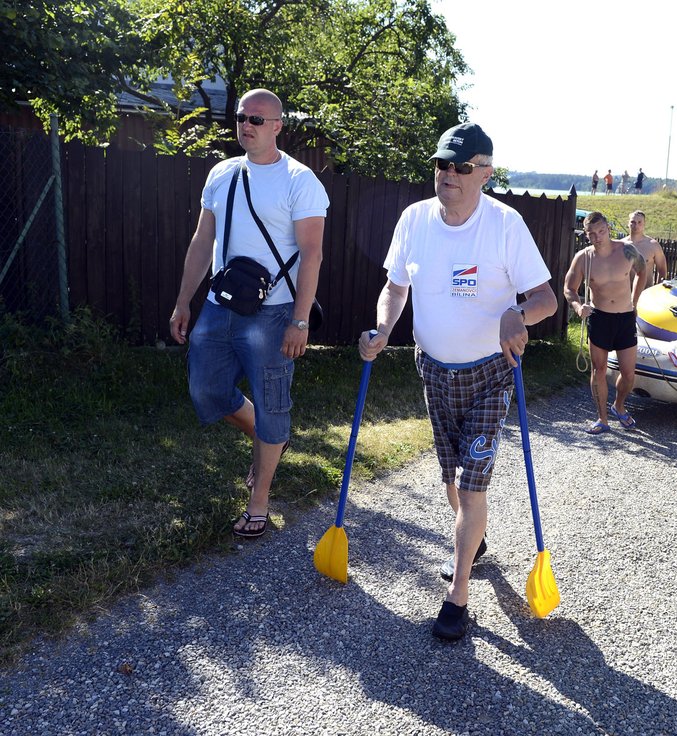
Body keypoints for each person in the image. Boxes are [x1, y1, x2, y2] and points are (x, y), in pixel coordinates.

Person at [358, 122, 558, 641]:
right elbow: (394, 287)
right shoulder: (414, 220)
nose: (448, 175)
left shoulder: (505, 225)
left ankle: (458, 595)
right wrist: (383, 327)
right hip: (434, 371)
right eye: (442, 164)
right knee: (453, 481)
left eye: (462, 167)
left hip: (491, 375)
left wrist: (518, 314)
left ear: (485, 174)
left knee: (472, 487)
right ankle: (475, 541)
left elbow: (546, 298)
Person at [169, 88, 329, 539]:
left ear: (278, 126)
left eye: (258, 119)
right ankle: (270, 439)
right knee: (208, 389)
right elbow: (202, 242)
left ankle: (259, 500)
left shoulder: (300, 181)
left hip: (274, 314)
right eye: (242, 116)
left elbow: (312, 254)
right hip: (220, 308)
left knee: (273, 402)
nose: (248, 124)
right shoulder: (221, 173)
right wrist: (184, 301)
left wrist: (300, 321)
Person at [564, 211, 646, 434]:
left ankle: (618, 405)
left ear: (608, 228)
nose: (597, 237)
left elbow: (642, 271)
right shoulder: (584, 258)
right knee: (598, 369)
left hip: (625, 317)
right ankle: (602, 419)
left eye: (601, 231)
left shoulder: (627, 250)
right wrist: (578, 306)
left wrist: (634, 300)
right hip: (599, 317)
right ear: (586, 235)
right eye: (592, 234)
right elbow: (569, 288)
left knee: (629, 374)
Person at [624, 210, 668, 288]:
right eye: (633, 222)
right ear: (628, 223)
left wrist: (658, 289)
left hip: (645, 293)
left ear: (644, 224)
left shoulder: (653, 245)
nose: (636, 225)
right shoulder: (621, 244)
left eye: (639, 222)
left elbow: (662, 270)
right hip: (624, 294)